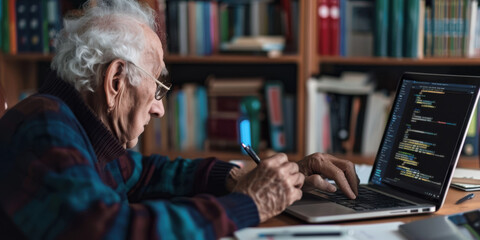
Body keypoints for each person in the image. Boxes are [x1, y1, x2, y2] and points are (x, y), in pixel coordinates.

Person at [0, 0, 359, 239]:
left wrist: (239, 178)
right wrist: (251, 202)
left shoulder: (77, 127)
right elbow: (112, 230)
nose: (159, 109)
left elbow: (145, 174)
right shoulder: (44, 130)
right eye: (157, 88)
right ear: (115, 82)